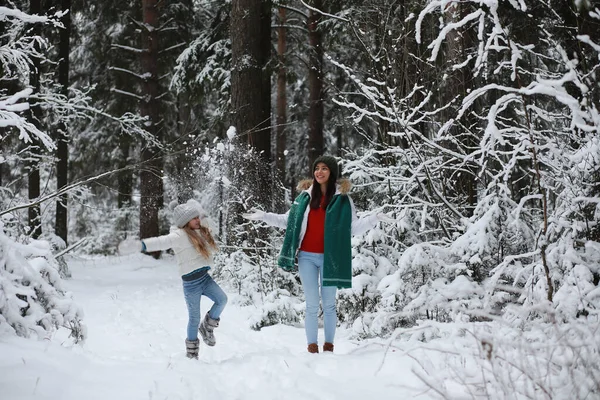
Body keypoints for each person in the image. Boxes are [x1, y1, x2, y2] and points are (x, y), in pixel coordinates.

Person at [243, 155, 393, 354]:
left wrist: (374, 218)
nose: (319, 172)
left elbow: (353, 228)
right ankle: (312, 347)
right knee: (312, 304)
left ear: (331, 173)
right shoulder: (304, 198)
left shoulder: (343, 200)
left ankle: (329, 346)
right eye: (317, 168)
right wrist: (263, 216)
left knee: (329, 304)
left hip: (331, 259)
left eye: (324, 168)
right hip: (307, 257)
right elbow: (286, 221)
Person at [117, 200, 228, 359]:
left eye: (198, 217)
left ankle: (207, 328)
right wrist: (140, 245)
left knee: (222, 299)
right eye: (194, 218)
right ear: (185, 222)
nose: (198, 220)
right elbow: (161, 242)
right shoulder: (178, 236)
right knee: (194, 318)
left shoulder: (201, 231)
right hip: (191, 285)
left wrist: (202, 213)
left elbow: (213, 228)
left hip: (205, 279)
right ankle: (192, 354)